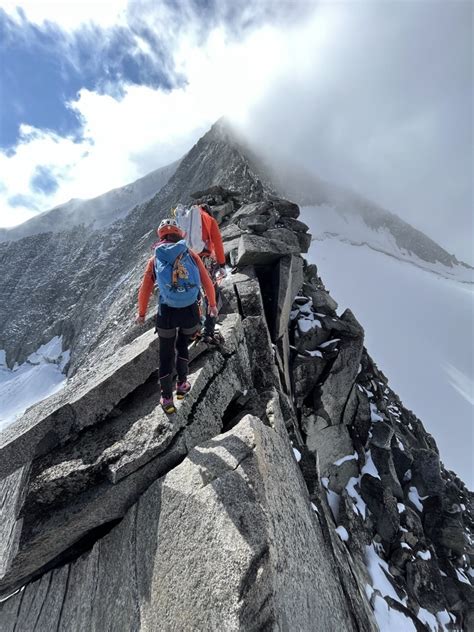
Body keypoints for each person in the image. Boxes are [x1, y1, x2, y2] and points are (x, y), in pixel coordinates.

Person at [136, 218, 217, 414]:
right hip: (189, 310)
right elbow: (206, 280)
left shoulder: (155, 259)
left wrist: (141, 313)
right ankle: (182, 384)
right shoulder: (189, 254)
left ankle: (166, 398)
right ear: (179, 235)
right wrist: (212, 305)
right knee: (182, 346)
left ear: (161, 236)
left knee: (165, 353)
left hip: (167, 312)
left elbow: (145, 288)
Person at [197, 204, 227, 343]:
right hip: (205, 259)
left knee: (194, 293)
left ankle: (194, 328)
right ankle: (208, 331)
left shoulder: (186, 219)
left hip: (187, 259)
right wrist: (222, 264)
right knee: (212, 293)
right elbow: (218, 243)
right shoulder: (209, 219)